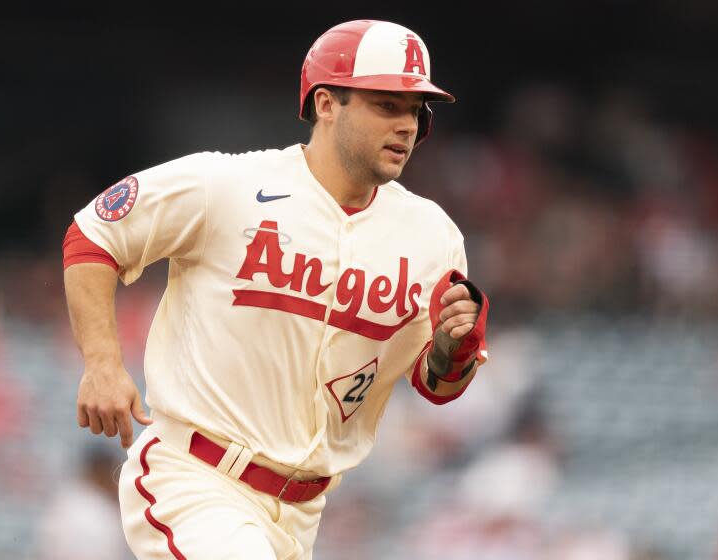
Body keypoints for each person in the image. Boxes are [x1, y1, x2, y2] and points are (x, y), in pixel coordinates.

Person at [62, 19, 489, 559]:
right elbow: (94, 233)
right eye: (386, 105)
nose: (406, 124)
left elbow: (437, 382)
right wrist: (102, 362)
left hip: (302, 515)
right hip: (195, 478)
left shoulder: (434, 238)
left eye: (416, 110)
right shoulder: (230, 186)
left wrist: (455, 350)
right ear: (327, 103)